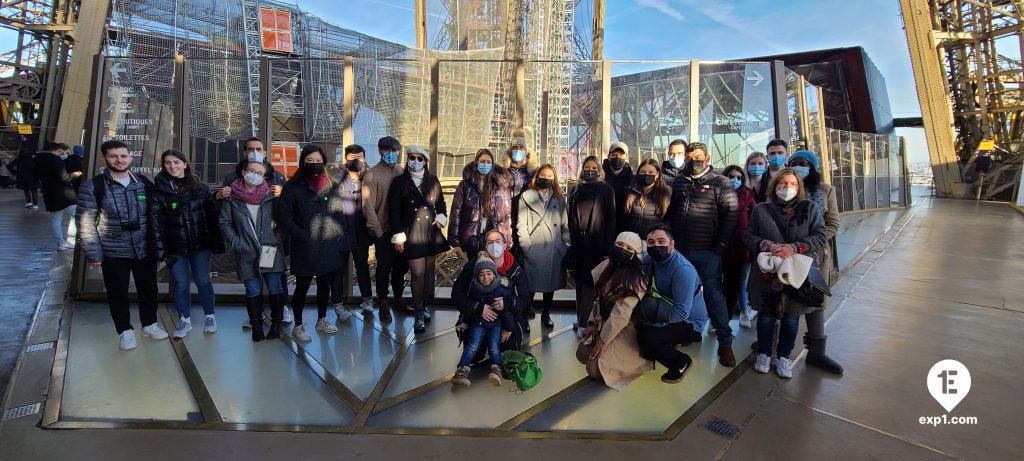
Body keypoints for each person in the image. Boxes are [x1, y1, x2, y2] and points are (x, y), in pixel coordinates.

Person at [77, 140, 166, 350]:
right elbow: (86, 223)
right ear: (104, 158)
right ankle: (125, 330)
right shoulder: (93, 187)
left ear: (130, 157)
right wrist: (94, 254)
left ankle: (149, 324)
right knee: (117, 292)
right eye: (113, 156)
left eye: (123, 156)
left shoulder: (143, 182)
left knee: (148, 289)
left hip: (144, 248)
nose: (119, 160)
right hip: (113, 250)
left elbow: (157, 214)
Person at [744, 168, 828, 378]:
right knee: (765, 317)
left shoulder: (809, 209)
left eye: (792, 184)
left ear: (799, 187)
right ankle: (764, 353)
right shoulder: (761, 209)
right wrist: (768, 246)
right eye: (782, 183)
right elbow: (749, 236)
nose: (787, 187)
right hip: (767, 274)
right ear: (774, 186)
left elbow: (820, 235)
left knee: (791, 318)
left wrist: (796, 247)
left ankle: (783, 356)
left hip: (796, 274)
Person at [666, 141, 739, 367]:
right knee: (681, 295)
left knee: (713, 296)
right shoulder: (680, 181)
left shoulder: (721, 183)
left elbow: (730, 216)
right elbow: (671, 211)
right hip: (681, 251)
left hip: (707, 251)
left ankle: (725, 343)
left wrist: (719, 248)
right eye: (690, 158)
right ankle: (685, 333)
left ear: (707, 159)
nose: (693, 161)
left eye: (698, 158)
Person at [149, 149, 224, 338]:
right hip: (175, 247)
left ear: (185, 164)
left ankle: (210, 315)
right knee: (181, 284)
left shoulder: (200, 187)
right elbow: (156, 223)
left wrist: (216, 240)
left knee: (203, 280)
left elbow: (210, 214)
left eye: (176, 162)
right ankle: (185, 319)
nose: (172, 166)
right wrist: (159, 250)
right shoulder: (159, 190)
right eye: (168, 163)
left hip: (200, 244)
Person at [219, 137, 292, 327]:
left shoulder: (276, 175)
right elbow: (224, 217)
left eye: (258, 148)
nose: (255, 152)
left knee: (276, 280)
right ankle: (256, 317)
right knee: (252, 284)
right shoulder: (232, 178)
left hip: (270, 244)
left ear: (265, 152)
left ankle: (281, 310)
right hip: (246, 245)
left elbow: (286, 211)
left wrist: (276, 239)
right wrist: (237, 242)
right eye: (250, 149)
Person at [277, 145, 346, 342]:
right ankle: (298, 325)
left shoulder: (331, 185)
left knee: (325, 285)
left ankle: (321, 319)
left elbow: (339, 211)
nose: (314, 165)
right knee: (303, 286)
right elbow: (284, 216)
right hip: (305, 245)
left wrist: (336, 232)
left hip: (328, 245)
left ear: (323, 162)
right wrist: (301, 234)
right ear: (303, 162)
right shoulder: (292, 187)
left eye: (318, 162)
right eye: (310, 161)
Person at [787, 150, 844, 374]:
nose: (801, 167)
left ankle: (817, 352)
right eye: (796, 163)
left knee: (815, 300)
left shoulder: (826, 191)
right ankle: (775, 344)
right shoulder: (785, 189)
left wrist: (809, 242)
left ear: (813, 167)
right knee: (785, 299)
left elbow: (833, 223)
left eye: (805, 164)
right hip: (788, 254)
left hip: (816, 256)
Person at [635, 223, 709, 383]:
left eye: (661, 241)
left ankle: (680, 362)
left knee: (646, 338)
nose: (656, 246)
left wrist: (652, 322)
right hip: (666, 308)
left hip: (690, 321)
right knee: (636, 323)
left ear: (672, 243)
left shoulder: (682, 270)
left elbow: (681, 313)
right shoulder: (649, 261)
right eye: (651, 242)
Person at [577, 231, 651, 391]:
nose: (623, 249)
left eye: (629, 248)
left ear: (635, 254)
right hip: (604, 321)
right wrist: (592, 323)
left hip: (623, 327)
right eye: (620, 245)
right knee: (582, 354)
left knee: (594, 369)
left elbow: (621, 316)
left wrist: (602, 342)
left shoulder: (636, 279)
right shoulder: (606, 266)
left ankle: (641, 359)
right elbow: (597, 298)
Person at [389, 146, 450, 333]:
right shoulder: (399, 182)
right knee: (417, 272)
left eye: (420, 158)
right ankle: (417, 312)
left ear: (425, 161)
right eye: (412, 157)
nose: (415, 161)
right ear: (407, 159)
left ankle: (423, 307)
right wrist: (398, 235)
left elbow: (441, 205)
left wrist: (441, 219)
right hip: (411, 233)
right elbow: (394, 212)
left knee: (426, 273)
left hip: (430, 232)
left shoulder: (432, 180)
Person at [452, 230, 531, 352]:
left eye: (498, 242)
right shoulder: (473, 267)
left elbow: (524, 299)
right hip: (477, 318)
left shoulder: (515, 270)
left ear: (505, 245)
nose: (494, 245)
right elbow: (457, 295)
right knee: (474, 354)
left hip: (506, 320)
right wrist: (477, 308)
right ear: (485, 247)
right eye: (490, 242)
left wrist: (508, 303)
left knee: (506, 352)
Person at [329, 145, 383, 321]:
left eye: (360, 157)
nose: (356, 160)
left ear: (364, 158)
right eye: (352, 157)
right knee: (338, 270)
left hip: (361, 231)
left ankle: (367, 299)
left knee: (362, 267)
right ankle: (337, 303)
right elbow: (325, 198)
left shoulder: (369, 178)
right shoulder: (335, 177)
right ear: (346, 159)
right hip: (340, 232)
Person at [516, 163, 569, 331]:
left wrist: (565, 245)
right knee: (529, 287)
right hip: (533, 248)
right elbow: (521, 224)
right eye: (543, 175)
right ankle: (524, 315)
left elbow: (565, 224)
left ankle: (546, 314)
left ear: (554, 179)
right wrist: (527, 247)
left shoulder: (558, 198)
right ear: (537, 176)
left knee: (550, 286)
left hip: (554, 249)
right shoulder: (527, 196)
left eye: (549, 176)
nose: (545, 179)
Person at [567, 156, 616, 332]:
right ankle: (580, 317)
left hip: (597, 245)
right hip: (579, 245)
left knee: (590, 285)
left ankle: (585, 323)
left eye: (593, 167)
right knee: (579, 284)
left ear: (599, 170)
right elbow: (571, 217)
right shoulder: (575, 190)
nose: (590, 170)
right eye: (587, 167)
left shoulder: (606, 189)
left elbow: (611, 220)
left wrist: (609, 249)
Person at [450, 256, 516, 387]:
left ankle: (496, 370)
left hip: (495, 325)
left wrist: (509, 328)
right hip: (478, 323)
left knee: (494, 347)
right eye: (481, 275)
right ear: (477, 276)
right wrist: (464, 322)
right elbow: (468, 309)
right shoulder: (474, 289)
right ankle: (462, 370)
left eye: (489, 273)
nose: (485, 278)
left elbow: (506, 312)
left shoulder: (501, 289)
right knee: (472, 346)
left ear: (494, 273)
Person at [364, 136, 409, 315]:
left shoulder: (401, 171)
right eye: (386, 150)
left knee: (401, 266)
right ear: (380, 151)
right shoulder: (372, 174)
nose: (390, 153)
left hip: (401, 230)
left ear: (399, 152)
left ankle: (398, 298)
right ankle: (382, 300)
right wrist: (379, 232)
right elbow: (368, 206)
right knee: (384, 266)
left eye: (394, 150)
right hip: (382, 230)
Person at [448, 149, 512, 266]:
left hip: (494, 234)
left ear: (492, 164)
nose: (485, 164)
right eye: (482, 161)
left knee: (492, 271)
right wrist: (454, 238)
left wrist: (507, 238)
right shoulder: (465, 185)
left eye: (488, 162)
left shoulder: (500, 186)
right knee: (474, 269)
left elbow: (507, 213)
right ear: (476, 162)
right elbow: (456, 212)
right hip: (471, 236)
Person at [721, 165, 758, 329]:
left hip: (740, 249)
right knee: (719, 285)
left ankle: (732, 317)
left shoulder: (747, 195)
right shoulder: (718, 193)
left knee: (735, 284)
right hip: (720, 247)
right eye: (730, 176)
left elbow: (756, 218)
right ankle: (719, 319)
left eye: (738, 177)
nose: (734, 179)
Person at [34, 143, 82, 250]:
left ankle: (61, 243)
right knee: (77, 215)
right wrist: (76, 174)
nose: (67, 155)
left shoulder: (39, 159)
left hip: (49, 193)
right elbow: (64, 177)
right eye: (67, 153)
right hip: (64, 194)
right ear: (60, 150)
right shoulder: (56, 160)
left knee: (56, 219)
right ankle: (72, 240)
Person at [622, 159, 671, 237]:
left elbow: (669, 219)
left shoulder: (666, 192)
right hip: (633, 239)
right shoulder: (631, 191)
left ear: (657, 174)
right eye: (643, 172)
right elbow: (625, 218)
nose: (646, 175)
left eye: (651, 172)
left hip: (654, 240)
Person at [602, 141, 634, 232]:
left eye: (621, 155)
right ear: (609, 157)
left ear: (626, 157)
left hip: (624, 225)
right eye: (614, 155)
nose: (617, 158)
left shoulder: (632, 179)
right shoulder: (601, 177)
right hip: (603, 225)